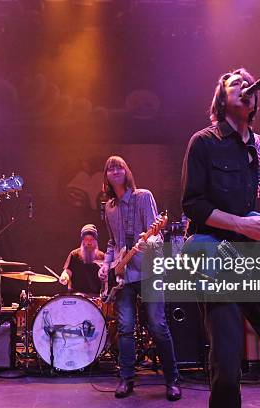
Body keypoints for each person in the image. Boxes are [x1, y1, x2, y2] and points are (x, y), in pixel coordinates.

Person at [181, 68, 260, 407]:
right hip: (212, 252)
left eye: (248, 83)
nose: (245, 86)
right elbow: (193, 205)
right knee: (226, 355)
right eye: (235, 83)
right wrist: (239, 225)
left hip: (254, 259)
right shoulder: (204, 142)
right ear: (221, 99)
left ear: (255, 102)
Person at [97, 155, 181, 401]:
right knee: (124, 328)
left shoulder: (143, 196)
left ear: (127, 171)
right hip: (123, 276)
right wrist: (106, 264)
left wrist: (150, 242)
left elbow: (156, 235)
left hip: (150, 270)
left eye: (119, 166)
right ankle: (126, 379)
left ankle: (172, 380)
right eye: (110, 168)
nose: (114, 170)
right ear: (106, 177)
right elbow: (112, 242)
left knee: (158, 325)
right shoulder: (109, 207)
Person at [59, 224, 105, 295]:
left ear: (96, 241)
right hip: (77, 296)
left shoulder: (102, 256)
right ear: (82, 241)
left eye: (91, 239)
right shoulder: (74, 254)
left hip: (96, 297)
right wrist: (64, 277)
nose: (89, 242)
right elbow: (67, 271)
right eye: (86, 239)